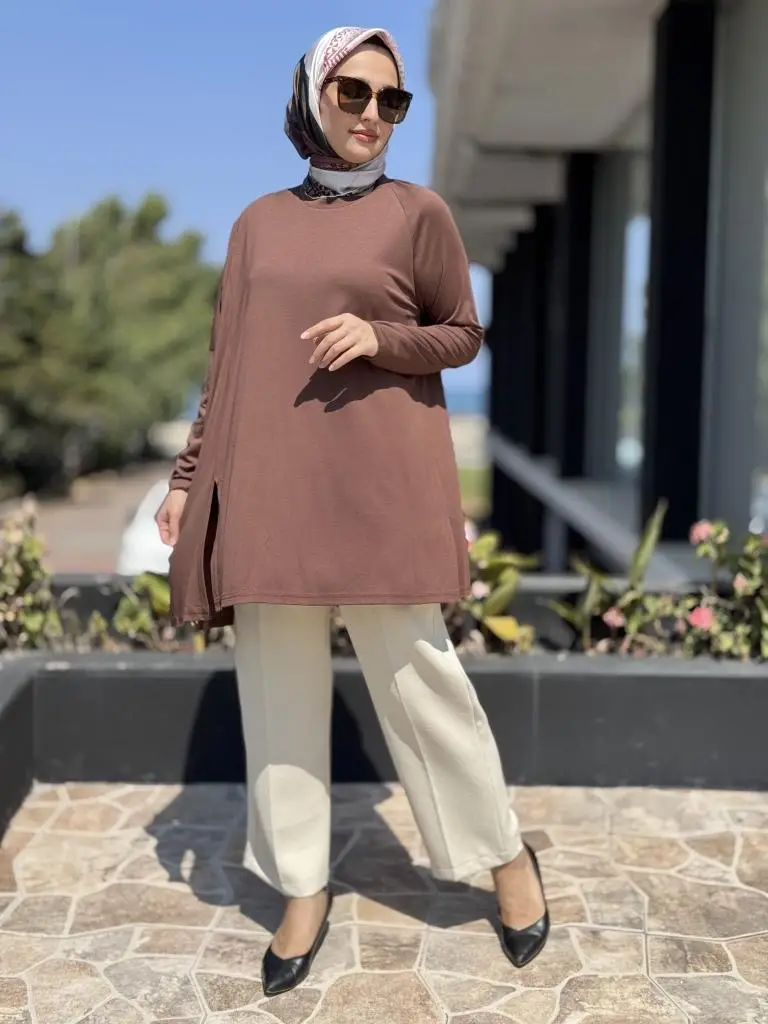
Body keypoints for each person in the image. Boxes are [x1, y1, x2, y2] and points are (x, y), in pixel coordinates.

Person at [155, 25, 549, 998]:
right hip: (270, 488)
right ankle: (301, 886)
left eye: (392, 99)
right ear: (313, 94)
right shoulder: (257, 223)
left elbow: (462, 332)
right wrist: (187, 476)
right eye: (355, 92)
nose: (374, 113)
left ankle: (504, 857)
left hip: (377, 487)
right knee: (277, 693)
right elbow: (226, 364)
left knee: (423, 686)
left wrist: (379, 337)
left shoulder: (419, 213)